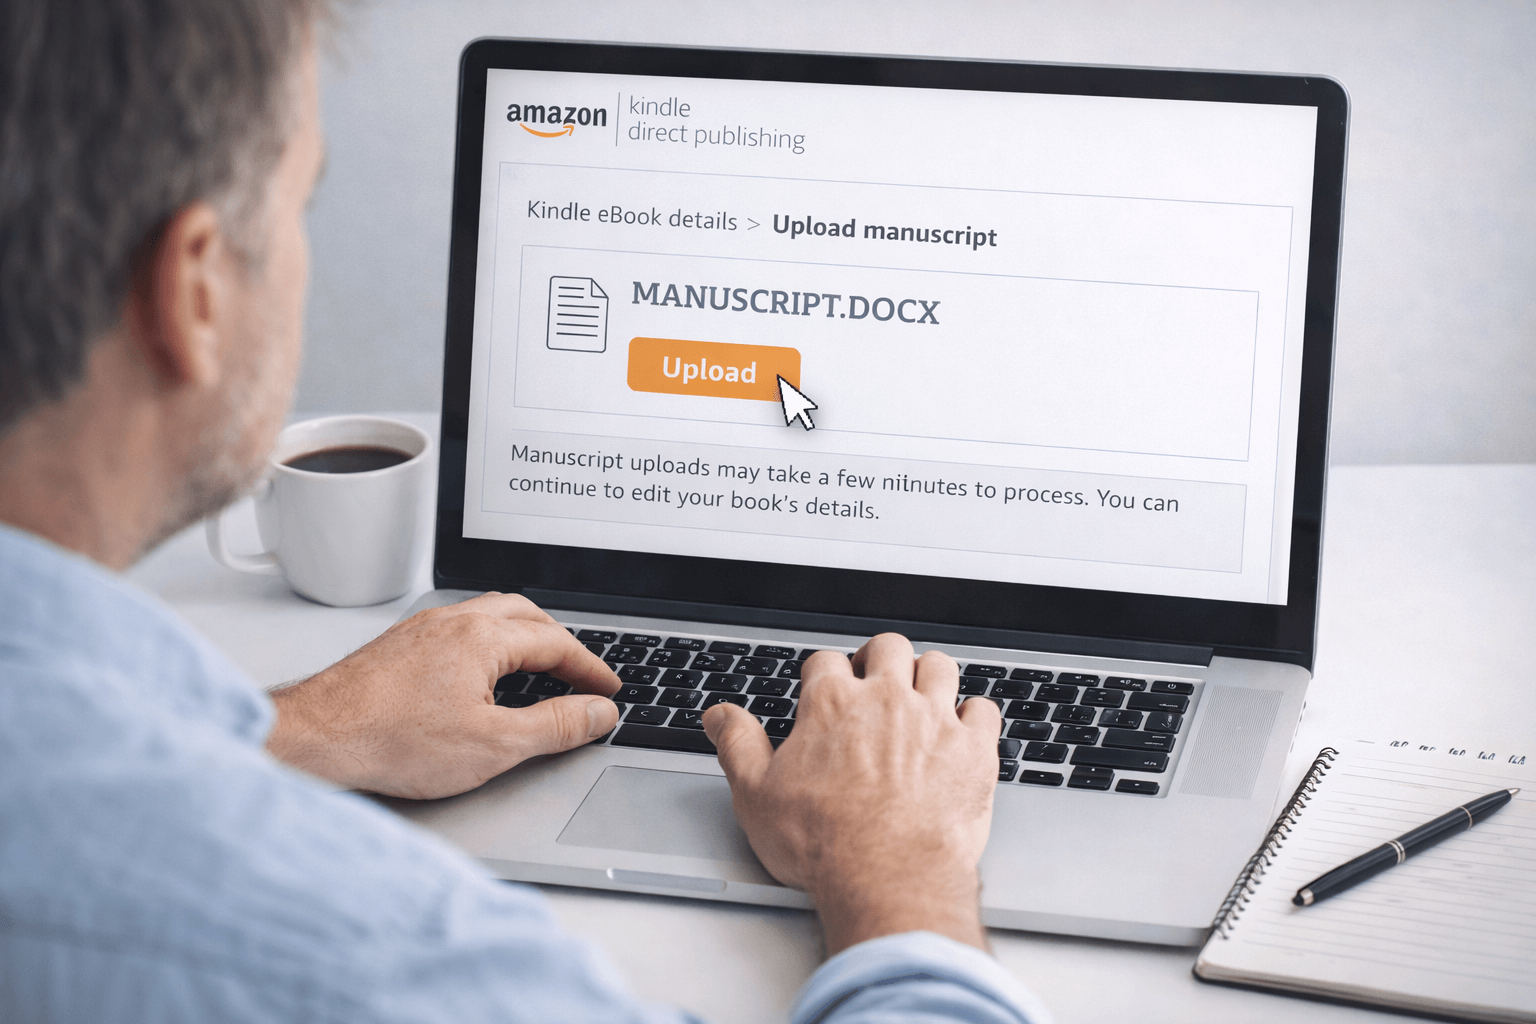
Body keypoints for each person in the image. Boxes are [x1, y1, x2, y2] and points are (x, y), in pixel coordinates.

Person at [0, 2, 1049, 1021]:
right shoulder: (358, 956)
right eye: (296, 205)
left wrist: (300, 728)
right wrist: (897, 858)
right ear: (194, 293)